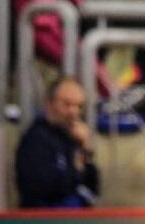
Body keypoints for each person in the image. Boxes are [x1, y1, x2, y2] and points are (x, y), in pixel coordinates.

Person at [15, 78, 100, 207]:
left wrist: (86, 147)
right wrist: (77, 166)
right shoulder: (36, 140)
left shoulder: (72, 136)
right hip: (46, 217)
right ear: (49, 104)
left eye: (79, 106)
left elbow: (93, 189)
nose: (74, 112)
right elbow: (47, 190)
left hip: (77, 216)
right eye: (67, 104)